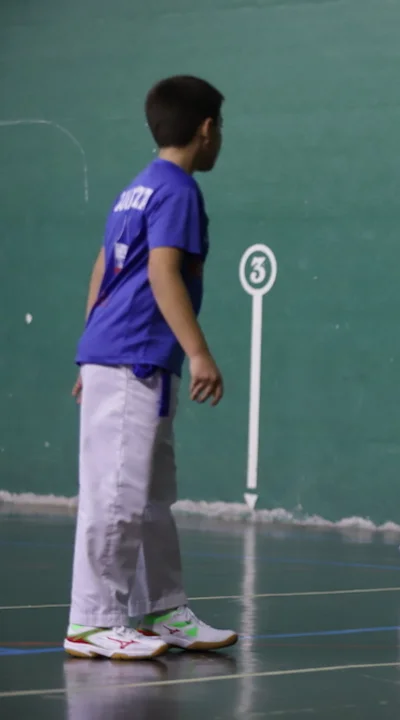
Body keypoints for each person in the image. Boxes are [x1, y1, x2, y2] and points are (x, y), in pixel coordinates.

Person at [65, 75, 237, 659]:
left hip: (124, 355)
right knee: (116, 495)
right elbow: (163, 272)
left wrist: (90, 348)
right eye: (221, 127)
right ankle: (93, 621)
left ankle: (162, 609)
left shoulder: (136, 188)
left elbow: (103, 269)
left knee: (150, 495)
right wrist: (200, 352)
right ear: (206, 129)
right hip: (132, 356)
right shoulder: (178, 191)